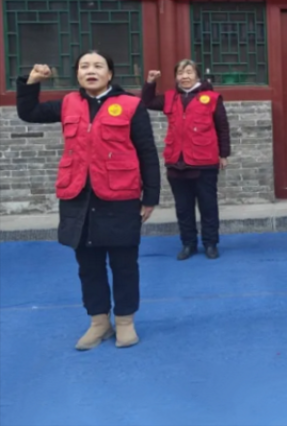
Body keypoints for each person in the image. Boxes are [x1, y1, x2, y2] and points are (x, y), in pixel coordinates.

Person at [16, 51, 160, 350]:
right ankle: (99, 322)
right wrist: (32, 82)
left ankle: (125, 322)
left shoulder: (131, 105)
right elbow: (29, 112)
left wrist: (150, 197)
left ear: (110, 74)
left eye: (97, 66)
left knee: (124, 264)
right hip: (78, 196)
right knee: (88, 265)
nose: (90, 71)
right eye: (84, 66)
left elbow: (146, 151)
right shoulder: (68, 103)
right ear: (77, 74)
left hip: (120, 195)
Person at [141, 59, 230, 260]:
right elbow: (147, 102)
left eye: (189, 72)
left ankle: (210, 243)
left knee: (208, 206)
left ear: (197, 75)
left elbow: (222, 127)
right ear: (176, 77)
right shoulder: (170, 97)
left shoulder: (212, 98)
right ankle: (188, 243)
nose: (185, 76)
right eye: (180, 73)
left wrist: (224, 154)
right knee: (183, 208)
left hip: (204, 162)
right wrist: (150, 82)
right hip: (176, 162)